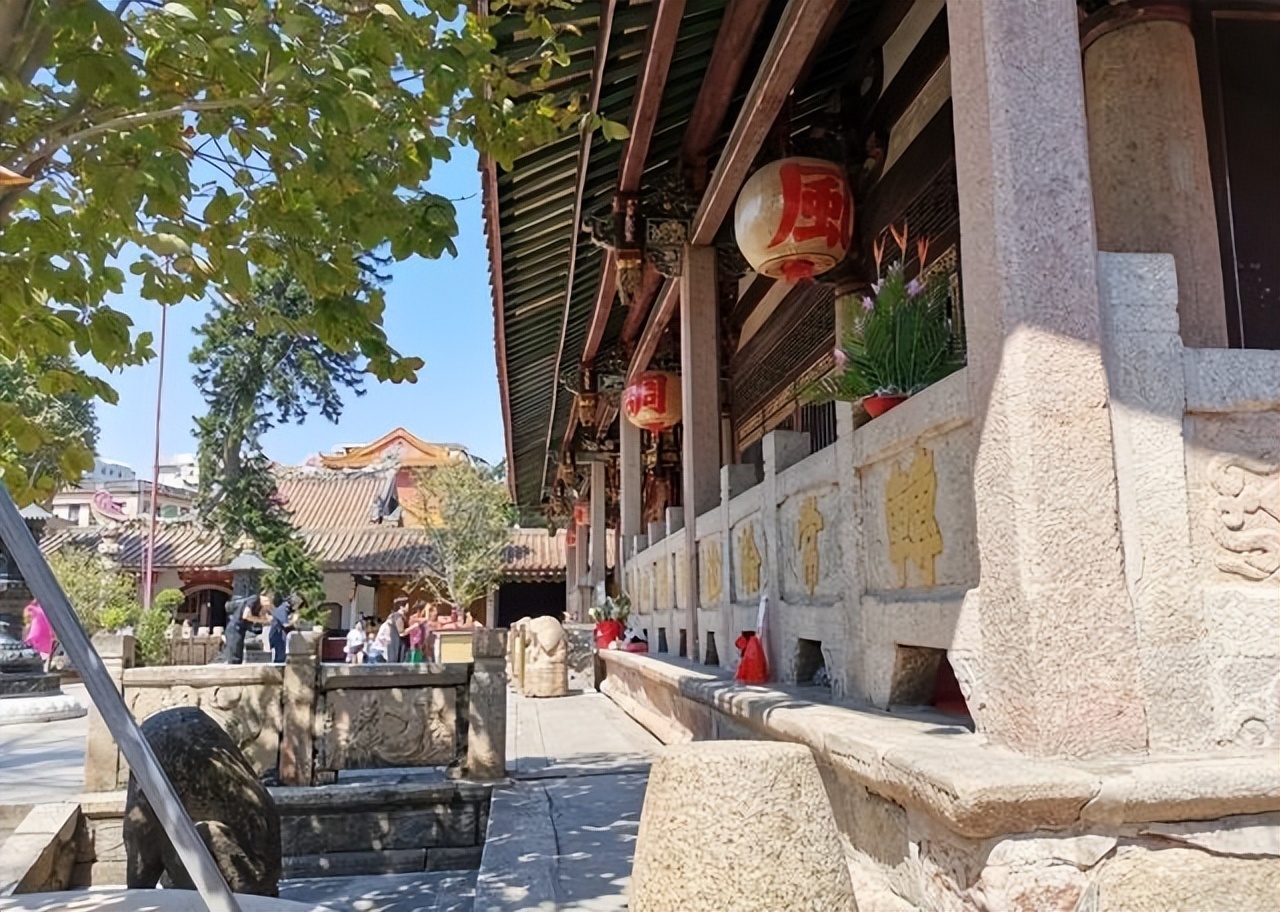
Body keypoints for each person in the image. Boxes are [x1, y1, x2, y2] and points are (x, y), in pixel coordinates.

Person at [22, 601, 56, 668]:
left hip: (36, 646)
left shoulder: (30, 608)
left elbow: (27, 626)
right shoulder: (55, 609)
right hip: (48, 646)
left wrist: (24, 642)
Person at [267, 592, 294, 663]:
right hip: (278, 638)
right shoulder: (282, 609)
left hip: (281, 637)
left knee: (282, 658)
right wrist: (294, 621)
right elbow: (286, 625)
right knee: (279, 659)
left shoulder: (286, 609)